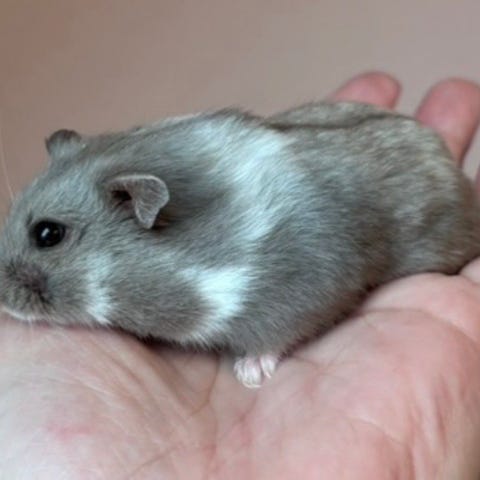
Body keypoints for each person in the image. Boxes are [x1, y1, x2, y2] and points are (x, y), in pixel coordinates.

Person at [1, 72, 480, 479]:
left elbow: (322, 275)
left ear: (135, 203)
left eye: (49, 236)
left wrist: (269, 340)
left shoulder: (266, 239)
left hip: (424, 201)